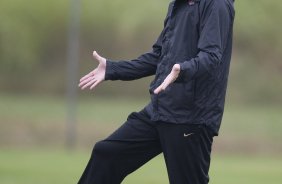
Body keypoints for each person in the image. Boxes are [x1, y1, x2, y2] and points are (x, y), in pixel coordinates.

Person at [78, 0, 235, 183]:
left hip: (191, 117)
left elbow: (211, 56)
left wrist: (182, 69)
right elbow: (158, 57)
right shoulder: (178, 5)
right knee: (106, 154)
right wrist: (113, 69)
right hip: (160, 110)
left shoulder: (217, 4)